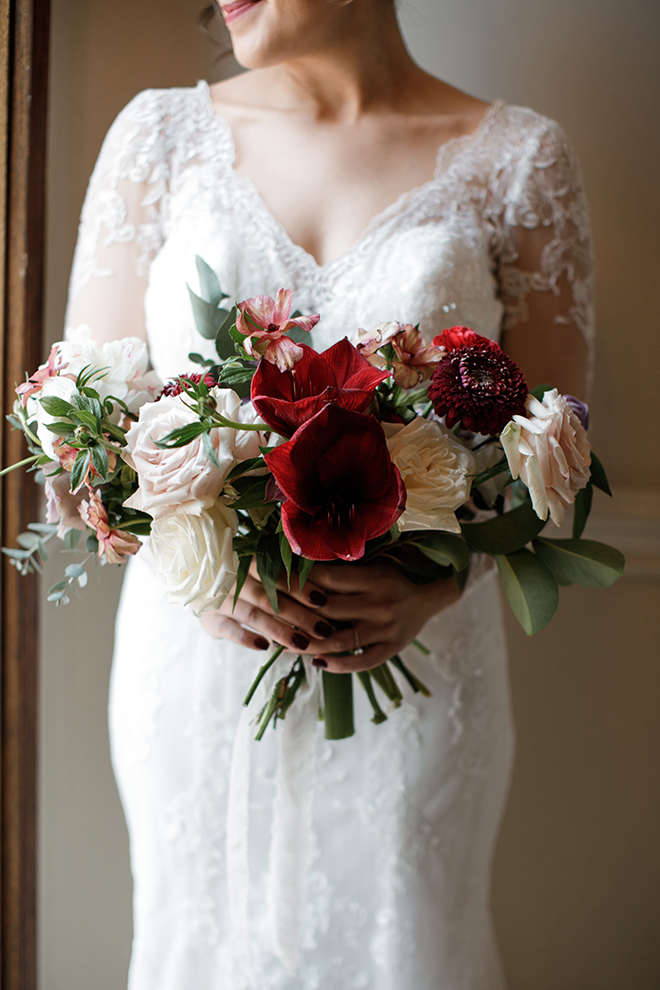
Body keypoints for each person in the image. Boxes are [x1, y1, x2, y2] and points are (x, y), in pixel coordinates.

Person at [64, 0, 593, 987]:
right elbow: (79, 434)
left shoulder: (518, 161)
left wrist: (434, 587)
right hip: (200, 671)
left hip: (422, 672)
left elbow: (553, 465)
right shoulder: (159, 136)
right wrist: (201, 564)